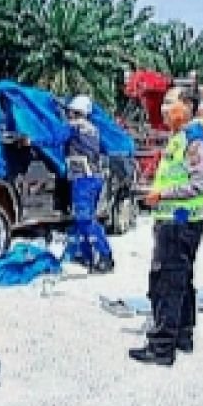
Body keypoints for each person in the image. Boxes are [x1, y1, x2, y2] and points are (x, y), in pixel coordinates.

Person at [133, 99, 203, 366]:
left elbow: (202, 184)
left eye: (170, 102)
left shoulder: (193, 139)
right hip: (177, 218)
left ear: (187, 106)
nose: (164, 108)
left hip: (178, 221)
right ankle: (182, 335)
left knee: (167, 283)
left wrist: (161, 195)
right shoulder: (180, 138)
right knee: (181, 280)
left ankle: (161, 347)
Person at [61, 94, 115, 274]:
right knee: (82, 219)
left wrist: (30, 140)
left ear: (76, 112)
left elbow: (54, 136)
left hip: (84, 179)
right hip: (93, 178)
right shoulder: (93, 129)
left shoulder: (74, 127)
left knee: (85, 219)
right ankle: (87, 257)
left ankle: (104, 256)